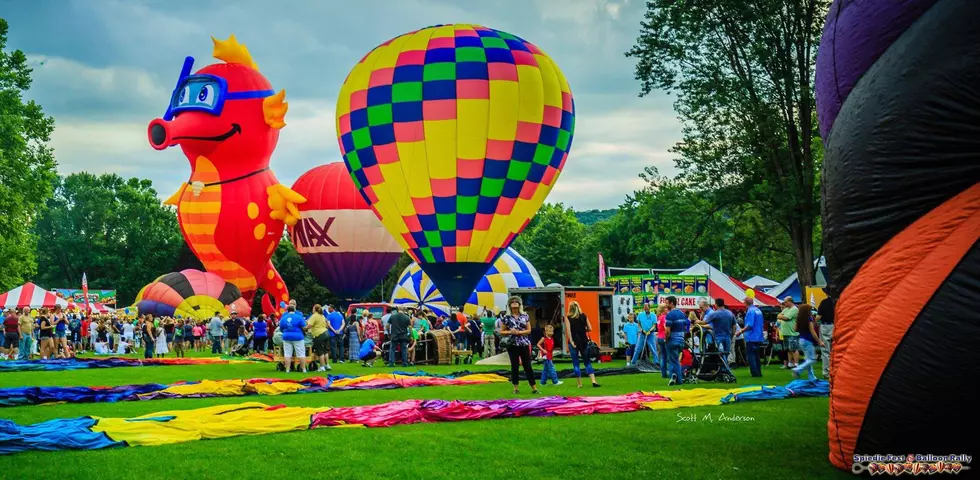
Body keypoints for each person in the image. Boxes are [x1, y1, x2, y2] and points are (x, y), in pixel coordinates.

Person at [500, 296, 540, 395]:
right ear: (510, 307)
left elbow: (529, 330)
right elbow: (502, 331)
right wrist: (510, 331)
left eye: (516, 305)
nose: (514, 307)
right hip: (512, 345)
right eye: (512, 305)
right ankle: (516, 388)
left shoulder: (525, 316)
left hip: (524, 343)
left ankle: (534, 387)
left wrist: (518, 332)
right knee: (515, 366)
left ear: (519, 306)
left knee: (527, 366)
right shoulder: (506, 318)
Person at [564, 301, 600, 388]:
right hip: (584, 341)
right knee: (587, 361)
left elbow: (568, 331)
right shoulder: (583, 315)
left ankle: (580, 384)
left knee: (576, 363)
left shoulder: (568, 317)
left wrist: (572, 341)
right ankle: (593, 381)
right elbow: (590, 328)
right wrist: (583, 330)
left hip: (574, 341)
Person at [663, 296, 690, 386]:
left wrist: (665, 339)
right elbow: (686, 326)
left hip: (672, 340)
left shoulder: (670, 315)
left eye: (667, 303)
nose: (665, 305)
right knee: (675, 360)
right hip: (681, 340)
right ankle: (674, 376)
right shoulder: (682, 314)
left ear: (671, 303)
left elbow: (667, 330)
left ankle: (677, 379)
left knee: (673, 361)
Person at [792, 304, 824, 380]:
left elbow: (795, 329)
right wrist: (819, 341)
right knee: (812, 359)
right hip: (808, 340)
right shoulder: (809, 318)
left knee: (808, 359)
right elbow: (812, 331)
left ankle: (811, 377)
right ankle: (798, 369)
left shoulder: (799, 318)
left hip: (801, 340)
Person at [737, 297, 765, 377]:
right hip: (759, 336)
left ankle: (754, 373)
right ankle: (759, 372)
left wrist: (741, 331)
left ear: (745, 303)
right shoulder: (758, 310)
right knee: (757, 356)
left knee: (751, 355)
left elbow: (750, 325)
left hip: (751, 336)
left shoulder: (750, 311)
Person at [702, 298, 735, 363]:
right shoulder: (730, 313)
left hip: (718, 337)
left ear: (716, 304)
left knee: (720, 354)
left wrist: (696, 321)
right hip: (728, 337)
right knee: (726, 354)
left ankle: (726, 370)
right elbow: (734, 326)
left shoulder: (715, 313)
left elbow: (704, 322)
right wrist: (732, 335)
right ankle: (724, 369)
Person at [279, 304, 308, 373]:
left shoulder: (283, 318)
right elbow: (304, 327)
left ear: (287, 310)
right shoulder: (299, 317)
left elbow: (281, 328)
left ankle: (287, 369)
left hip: (286, 336)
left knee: (287, 354)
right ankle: (303, 369)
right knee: (301, 353)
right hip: (298, 336)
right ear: (294, 310)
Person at [777, 297, 800, 369]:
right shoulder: (786, 309)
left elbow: (787, 318)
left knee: (794, 349)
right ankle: (790, 363)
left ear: (790, 301)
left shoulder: (795, 309)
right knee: (788, 349)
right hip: (785, 332)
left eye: (785, 302)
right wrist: (782, 316)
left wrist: (782, 316)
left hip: (792, 332)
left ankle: (796, 363)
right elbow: (778, 316)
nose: (784, 303)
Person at [816, 295, 835, 378]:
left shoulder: (824, 302)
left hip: (826, 326)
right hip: (836, 326)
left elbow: (818, 317)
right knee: (835, 350)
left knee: (825, 351)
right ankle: (835, 370)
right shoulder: (838, 301)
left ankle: (826, 372)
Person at [307, 305, 330, 372]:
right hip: (326, 333)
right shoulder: (322, 315)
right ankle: (327, 365)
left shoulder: (314, 316)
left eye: (313, 309)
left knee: (320, 351)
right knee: (325, 351)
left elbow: (309, 325)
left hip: (319, 334)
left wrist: (304, 328)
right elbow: (327, 324)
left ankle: (322, 367)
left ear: (314, 309)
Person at [656, 305, 668, 378]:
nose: (667, 309)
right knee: (669, 356)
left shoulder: (659, 317)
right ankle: (671, 372)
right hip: (664, 338)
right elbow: (666, 327)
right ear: (663, 309)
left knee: (663, 356)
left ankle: (663, 373)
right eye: (666, 308)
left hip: (659, 337)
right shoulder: (664, 317)